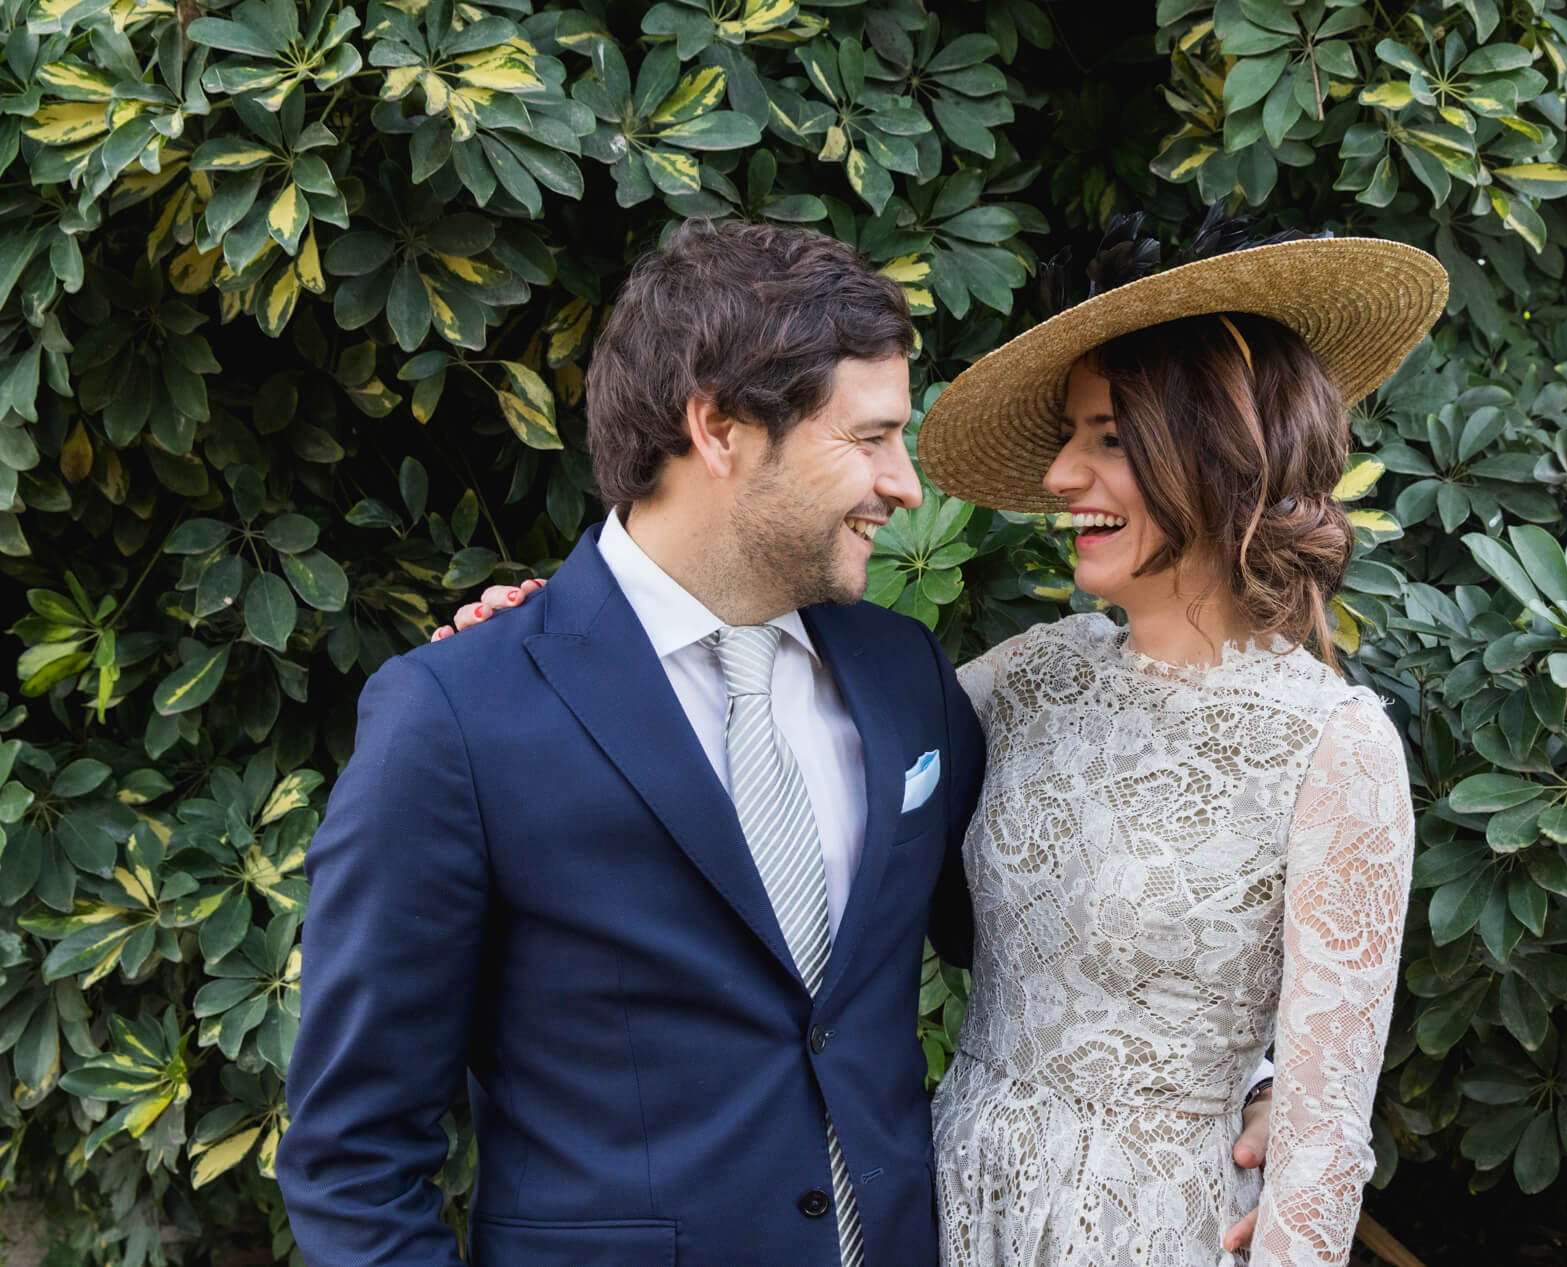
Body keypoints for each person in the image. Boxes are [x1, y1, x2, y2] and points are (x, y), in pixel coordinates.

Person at [279, 218, 1281, 1266]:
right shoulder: (458, 716)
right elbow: (353, 1157)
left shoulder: (906, 677)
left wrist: (1249, 1075)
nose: (905, 485)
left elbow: (1043, 940)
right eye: (868, 438)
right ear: (719, 430)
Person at [913, 220, 1444, 1265]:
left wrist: (1264, 1093)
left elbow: (1324, 1128)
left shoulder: (1331, 746)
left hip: (1148, 1230)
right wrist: (579, 641)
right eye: (1073, 433)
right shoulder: (1034, 673)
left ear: (1212, 451)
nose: (1062, 475)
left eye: (1107, 436)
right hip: (952, 1200)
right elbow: (815, 746)